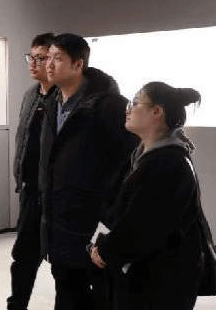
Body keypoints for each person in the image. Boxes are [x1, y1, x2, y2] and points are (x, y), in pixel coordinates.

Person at [38, 33, 139, 310]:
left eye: (58, 59)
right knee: (66, 288)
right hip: (58, 219)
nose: (49, 65)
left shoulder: (108, 106)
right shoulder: (51, 103)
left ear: (78, 64)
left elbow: (128, 165)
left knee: (96, 295)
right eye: (48, 57)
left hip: (92, 223)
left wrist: (109, 219)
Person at [90, 82, 204, 310]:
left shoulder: (169, 164)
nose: (128, 109)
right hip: (143, 276)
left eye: (135, 103)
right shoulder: (143, 156)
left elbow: (142, 226)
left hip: (159, 283)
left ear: (156, 111)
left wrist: (105, 251)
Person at [6, 33, 56, 310]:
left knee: (63, 261)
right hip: (30, 189)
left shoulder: (64, 98)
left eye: (41, 58)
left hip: (56, 193)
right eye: (31, 57)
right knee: (23, 254)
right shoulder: (30, 95)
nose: (33, 64)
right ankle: (16, 304)